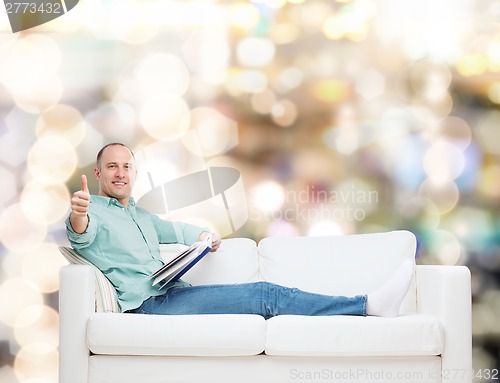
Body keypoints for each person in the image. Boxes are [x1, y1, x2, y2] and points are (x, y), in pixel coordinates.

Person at [66, 143, 414, 318]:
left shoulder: (141, 215)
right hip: (148, 306)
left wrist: (205, 237)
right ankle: (366, 306)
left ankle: (366, 305)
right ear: (98, 174)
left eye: (126, 166)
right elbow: (80, 233)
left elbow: (176, 229)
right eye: (111, 167)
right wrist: (80, 212)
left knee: (262, 293)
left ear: (134, 173)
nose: (120, 173)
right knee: (264, 294)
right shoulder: (92, 210)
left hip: (171, 293)